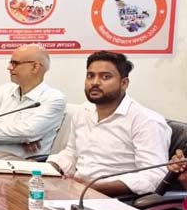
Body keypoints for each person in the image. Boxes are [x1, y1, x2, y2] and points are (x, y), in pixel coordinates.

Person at [48, 52, 171, 195]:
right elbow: (72, 153)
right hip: (76, 191)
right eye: (90, 76)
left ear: (124, 83)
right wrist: (49, 167)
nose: (95, 82)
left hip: (117, 199)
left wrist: (93, 187)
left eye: (105, 77)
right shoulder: (83, 111)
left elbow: (153, 176)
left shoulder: (146, 121)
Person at [0, 45, 66, 159]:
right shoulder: (5, 89)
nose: (9, 67)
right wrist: (19, 137)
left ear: (35, 67)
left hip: (20, 163)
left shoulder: (54, 98)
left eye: (15, 63)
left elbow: (28, 131)